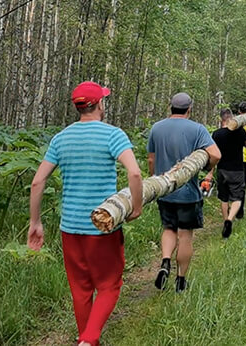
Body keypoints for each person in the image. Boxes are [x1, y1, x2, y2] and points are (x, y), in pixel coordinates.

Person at [27, 81, 143, 346]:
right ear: (99, 104)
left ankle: (87, 338)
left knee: (80, 290)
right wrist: (136, 207)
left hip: (70, 228)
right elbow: (134, 173)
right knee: (109, 286)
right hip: (102, 227)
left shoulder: (61, 138)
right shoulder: (113, 135)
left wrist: (35, 222)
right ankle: (88, 340)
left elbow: (37, 182)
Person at [147, 92, 221, 292]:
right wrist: (207, 168)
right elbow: (215, 154)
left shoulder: (157, 128)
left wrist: (156, 182)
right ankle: (180, 280)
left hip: (164, 190)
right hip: (188, 193)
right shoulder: (197, 129)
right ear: (190, 108)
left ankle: (164, 262)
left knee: (168, 229)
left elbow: (151, 160)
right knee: (185, 235)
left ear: (170, 106)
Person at [207, 109, 246, 238]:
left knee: (224, 197)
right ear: (232, 118)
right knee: (237, 198)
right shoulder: (240, 132)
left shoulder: (217, 134)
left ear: (221, 119)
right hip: (237, 169)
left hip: (222, 169)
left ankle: (225, 221)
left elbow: (213, 155)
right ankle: (230, 220)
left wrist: (210, 172)